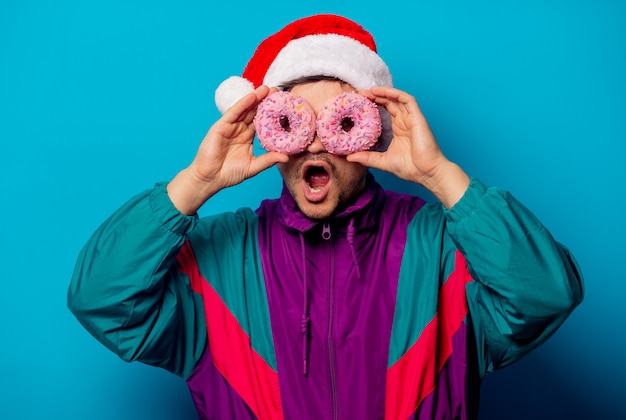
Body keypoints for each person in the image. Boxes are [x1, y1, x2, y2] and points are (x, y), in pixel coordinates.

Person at [68, 14, 584, 420]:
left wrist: (440, 175)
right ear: (270, 132)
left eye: (339, 120)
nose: (315, 140)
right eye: (295, 121)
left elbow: (546, 293)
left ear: (373, 131)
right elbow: (102, 298)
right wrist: (195, 184)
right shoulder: (219, 259)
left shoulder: (446, 249)